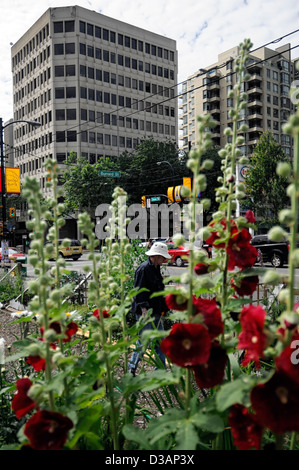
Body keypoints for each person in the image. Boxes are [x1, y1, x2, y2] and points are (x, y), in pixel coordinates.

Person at [128, 242, 171, 376]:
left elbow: (159, 290)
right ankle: (132, 368)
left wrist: (163, 309)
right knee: (143, 341)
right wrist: (144, 309)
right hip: (145, 313)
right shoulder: (144, 269)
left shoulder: (155, 267)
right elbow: (139, 290)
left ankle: (160, 372)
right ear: (156, 256)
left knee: (160, 342)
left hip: (156, 311)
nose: (164, 260)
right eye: (163, 257)